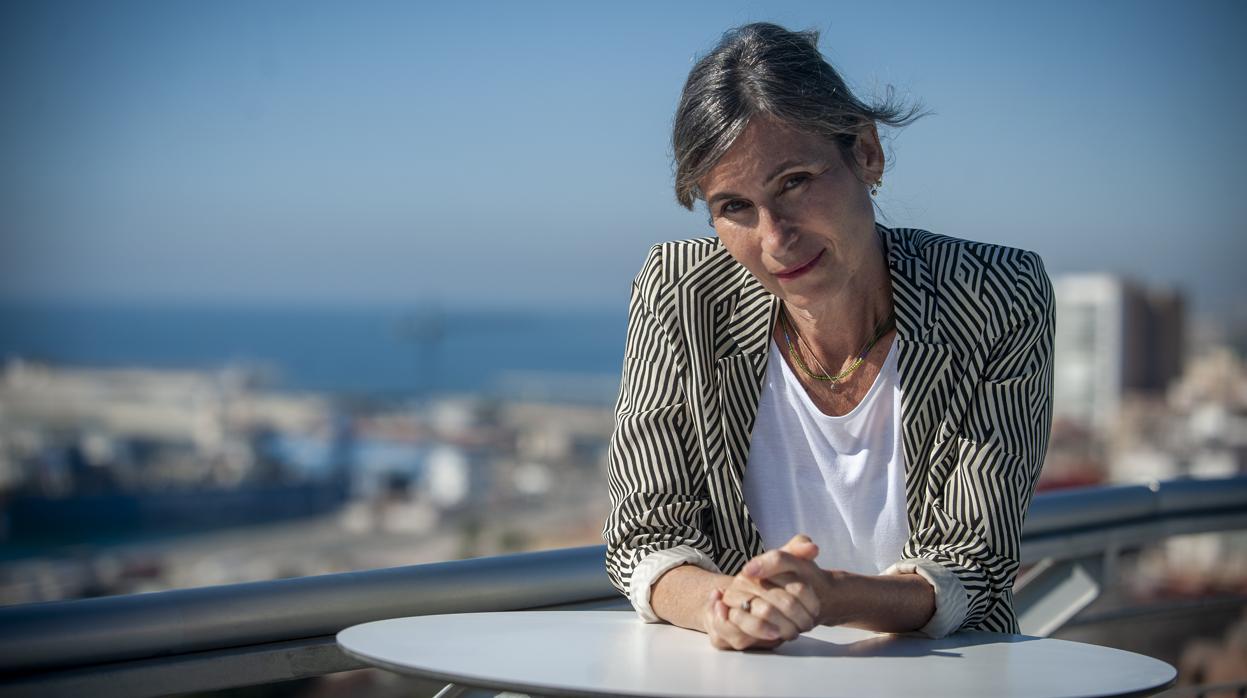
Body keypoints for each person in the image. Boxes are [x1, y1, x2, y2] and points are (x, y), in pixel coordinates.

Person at [602, 22, 1054, 651]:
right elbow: (643, 537)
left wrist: (830, 597)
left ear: (866, 153)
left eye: (795, 182)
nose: (775, 239)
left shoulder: (994, 294)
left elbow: (974, 564)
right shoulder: (682, 292)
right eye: (735, 207)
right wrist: (724, 605)